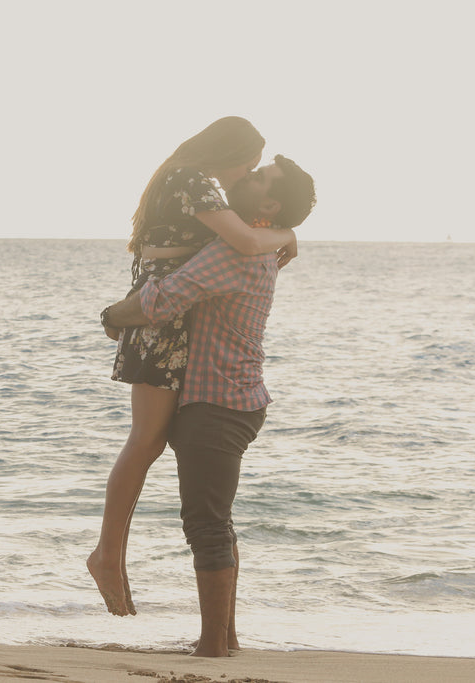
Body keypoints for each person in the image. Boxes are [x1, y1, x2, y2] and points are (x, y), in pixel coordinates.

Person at [100, 155, 317, 656]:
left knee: (206, 524)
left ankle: (213, 647)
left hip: (216, 401)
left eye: (258, 176)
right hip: (233, 397)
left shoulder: (236, 252)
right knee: (215, 519)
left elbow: (164, 299)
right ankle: (225, 637)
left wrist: (112, 316)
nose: (243, 176)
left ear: (268, 204)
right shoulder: (254, 243)